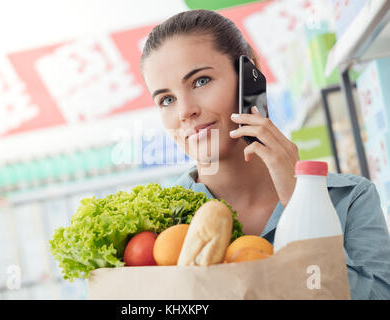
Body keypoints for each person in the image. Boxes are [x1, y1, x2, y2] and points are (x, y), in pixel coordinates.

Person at [140, 9, 390, 299]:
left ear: (251, 75)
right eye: (166, 99)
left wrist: (303, 203)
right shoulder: (157, 224)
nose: (185, 111)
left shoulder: (350, 199)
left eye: (201, 81)